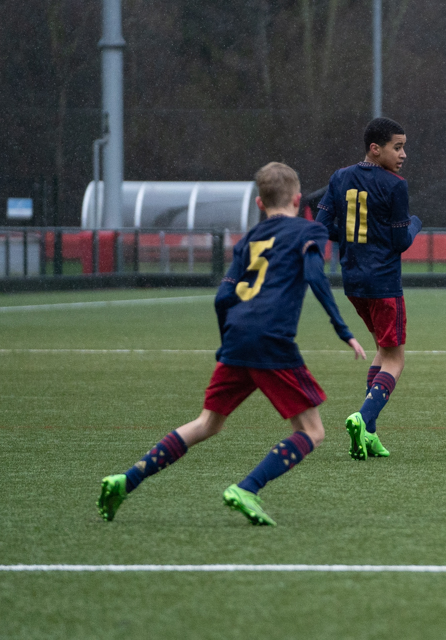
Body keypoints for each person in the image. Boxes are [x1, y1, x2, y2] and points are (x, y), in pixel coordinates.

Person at [97, 162, 367, 525]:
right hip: (271, 340)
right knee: (312, 432)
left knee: (207, 423)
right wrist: (342, 329)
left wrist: (227, 344)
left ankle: (125, 480)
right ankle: (247, 488)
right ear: (297, 199)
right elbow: (316, 276)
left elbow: (222, 297)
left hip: (238, 335)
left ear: (259, 203)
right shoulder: (310, 230)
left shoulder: (249, 240)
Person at [316, 117, 422, 461]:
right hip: (384, 283)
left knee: (382, 349)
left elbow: (322, 226)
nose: (403, 154)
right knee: (395, 358)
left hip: (353, 282)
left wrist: (352, 236)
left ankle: (370, 434)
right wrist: (416, 224)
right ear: (375, 149)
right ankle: (364, 417)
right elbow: (400, 241)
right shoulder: (395, 185)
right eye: (397, 147)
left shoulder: (339, 177)